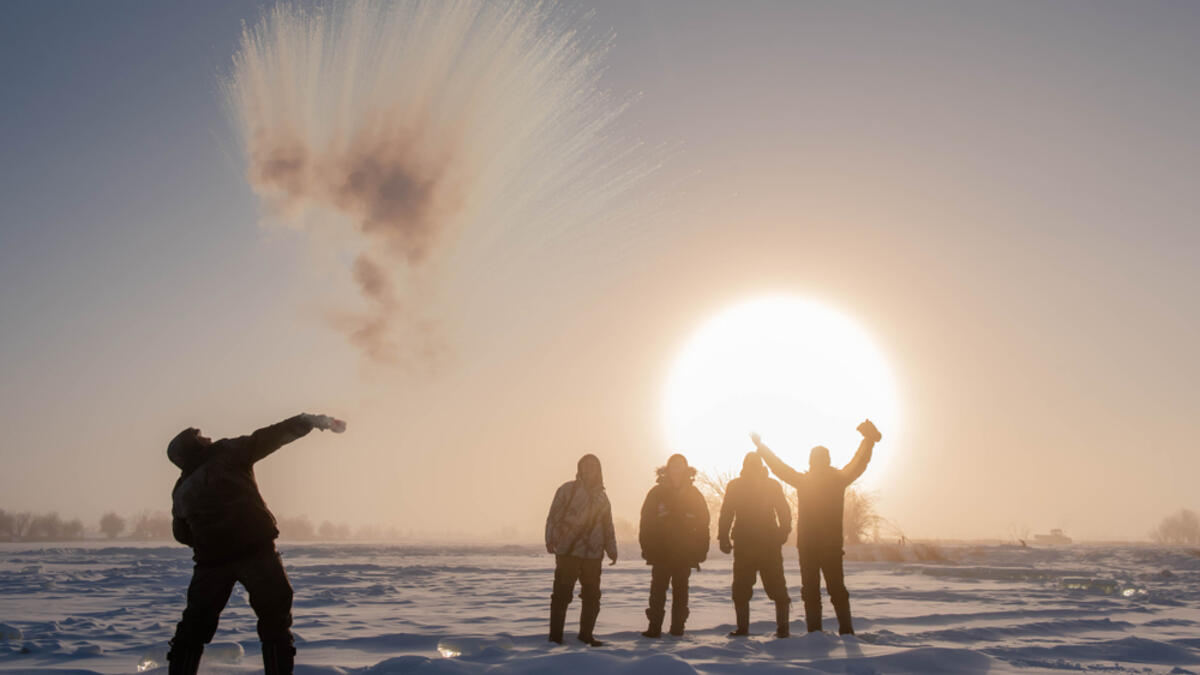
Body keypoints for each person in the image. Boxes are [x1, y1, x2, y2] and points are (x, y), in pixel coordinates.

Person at [165, 412, 346, 675]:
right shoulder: (227, 453)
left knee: (194, 626)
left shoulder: (182, 489)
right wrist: (311, 421)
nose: (209, 438)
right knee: (275, 621)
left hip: (211, 562)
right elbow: (270, 437)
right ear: (193, 447)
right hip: (255, 552)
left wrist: (211, 541)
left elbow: (181, 534)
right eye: (201, 438)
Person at [751, 419, 881, 635]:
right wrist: (868, 440)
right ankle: (845, 630)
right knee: (835, 589)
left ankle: (815, 632)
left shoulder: (806, 481)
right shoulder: (837, 479)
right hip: (828, 546)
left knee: (811, 591)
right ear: (827, 460)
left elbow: (779, 468)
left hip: (810, 546)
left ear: (811, 461)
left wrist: (761, 447)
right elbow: (859, 463)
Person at [544, 454, 618, 647]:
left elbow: (607, 526)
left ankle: (586, 635)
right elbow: (553, 516)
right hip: (568, 552)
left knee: (592, 596)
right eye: (586, 465)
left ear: (599, 470)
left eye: (593, 466)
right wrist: (550, 539)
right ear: (580, 468)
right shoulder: (567, 490)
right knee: (561, 595)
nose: (589, 469)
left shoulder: (602, 498)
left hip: (593, 554)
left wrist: (611, 549)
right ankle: (555, 637)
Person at [717, 452, 792, 637]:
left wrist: (783, 532)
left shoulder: (770, 485)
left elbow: (784, 511)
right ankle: (748, 629)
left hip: (767, 544)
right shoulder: (736, 486)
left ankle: (782, 629)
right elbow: (726, 513)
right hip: (747, 545)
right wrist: (723, 537)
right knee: (743, 589)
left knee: (775, 588)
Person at [638, 453, 710, 637]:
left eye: (680, 465)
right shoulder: (656, 493)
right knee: (657, 590)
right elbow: (646, 521)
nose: (677, 469)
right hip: (660, 550)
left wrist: (701, 549)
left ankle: (678, 628)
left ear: (685, 469)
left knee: (681, 590)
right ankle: (654, 627)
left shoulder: (694, 494)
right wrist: (646, 546)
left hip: (684, 551)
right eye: (674, 465)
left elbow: (703, 523)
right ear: (668, 468)